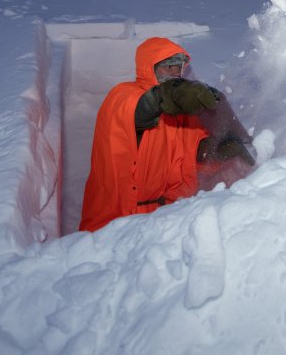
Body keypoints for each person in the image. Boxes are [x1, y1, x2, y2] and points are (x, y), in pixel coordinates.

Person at [79, 36, 254, 231]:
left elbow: (193, 155)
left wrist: (221, 150)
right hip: (114, 222)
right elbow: (145, 107)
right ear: (149, 68)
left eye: (177, 68)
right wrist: (170, 94)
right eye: (167, 67)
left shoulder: (183, 114)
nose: (174, 73)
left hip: (163, 219)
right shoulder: (123, 96)